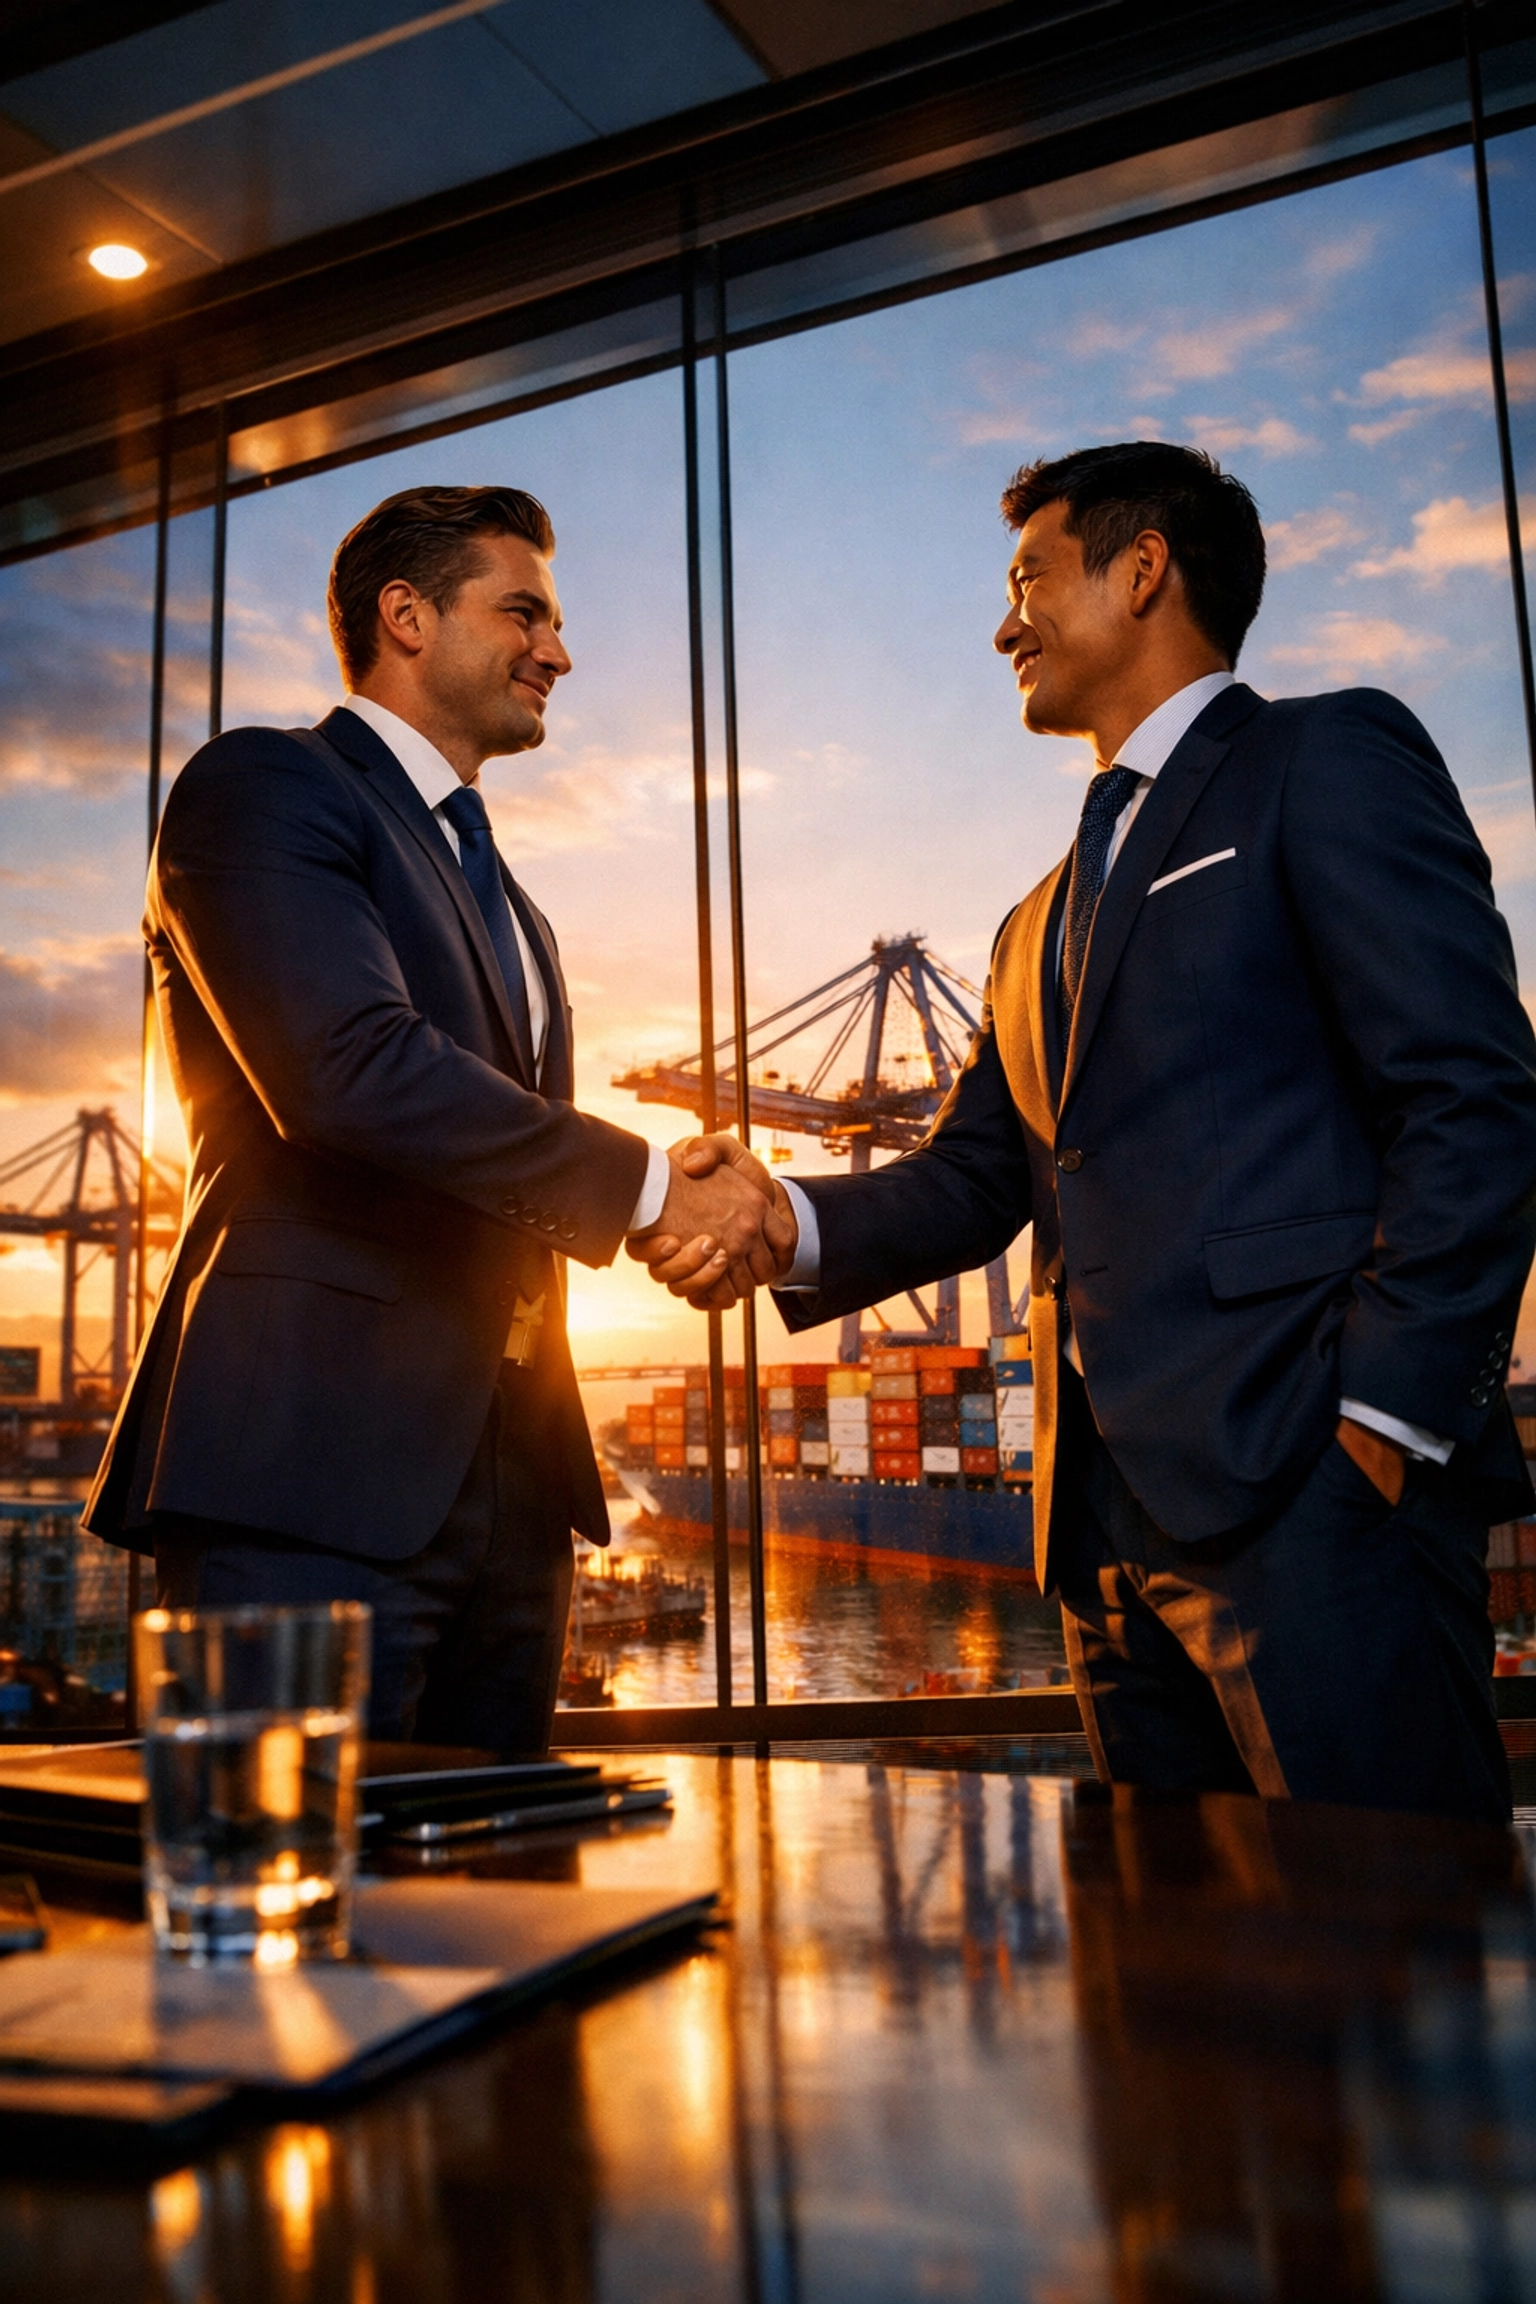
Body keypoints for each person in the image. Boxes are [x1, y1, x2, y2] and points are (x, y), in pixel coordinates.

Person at [636, 442, 1536, 1821]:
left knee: (1394, 1988)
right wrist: (781, 1215)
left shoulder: (1324, 755)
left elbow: (1473, 1092)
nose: (1005, 622)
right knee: (1166, 1994)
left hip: (1316, 1506)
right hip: (1099, 1537)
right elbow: (973, 1179)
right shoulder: (1033, 920)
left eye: (1028, 578)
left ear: (1144, 569)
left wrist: (1382, 1422)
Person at [85, 484, 788, 1751]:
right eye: (525, 612)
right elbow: (347, 1067)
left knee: (502, 1900)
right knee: (289, 1912)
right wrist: (652, 1198)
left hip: (518, 1499)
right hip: (309, 1478)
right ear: (405, 616)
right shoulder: (263, 785)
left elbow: (495, 1155)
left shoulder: (514, 903)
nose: (558, 652)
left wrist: (674, 1211)